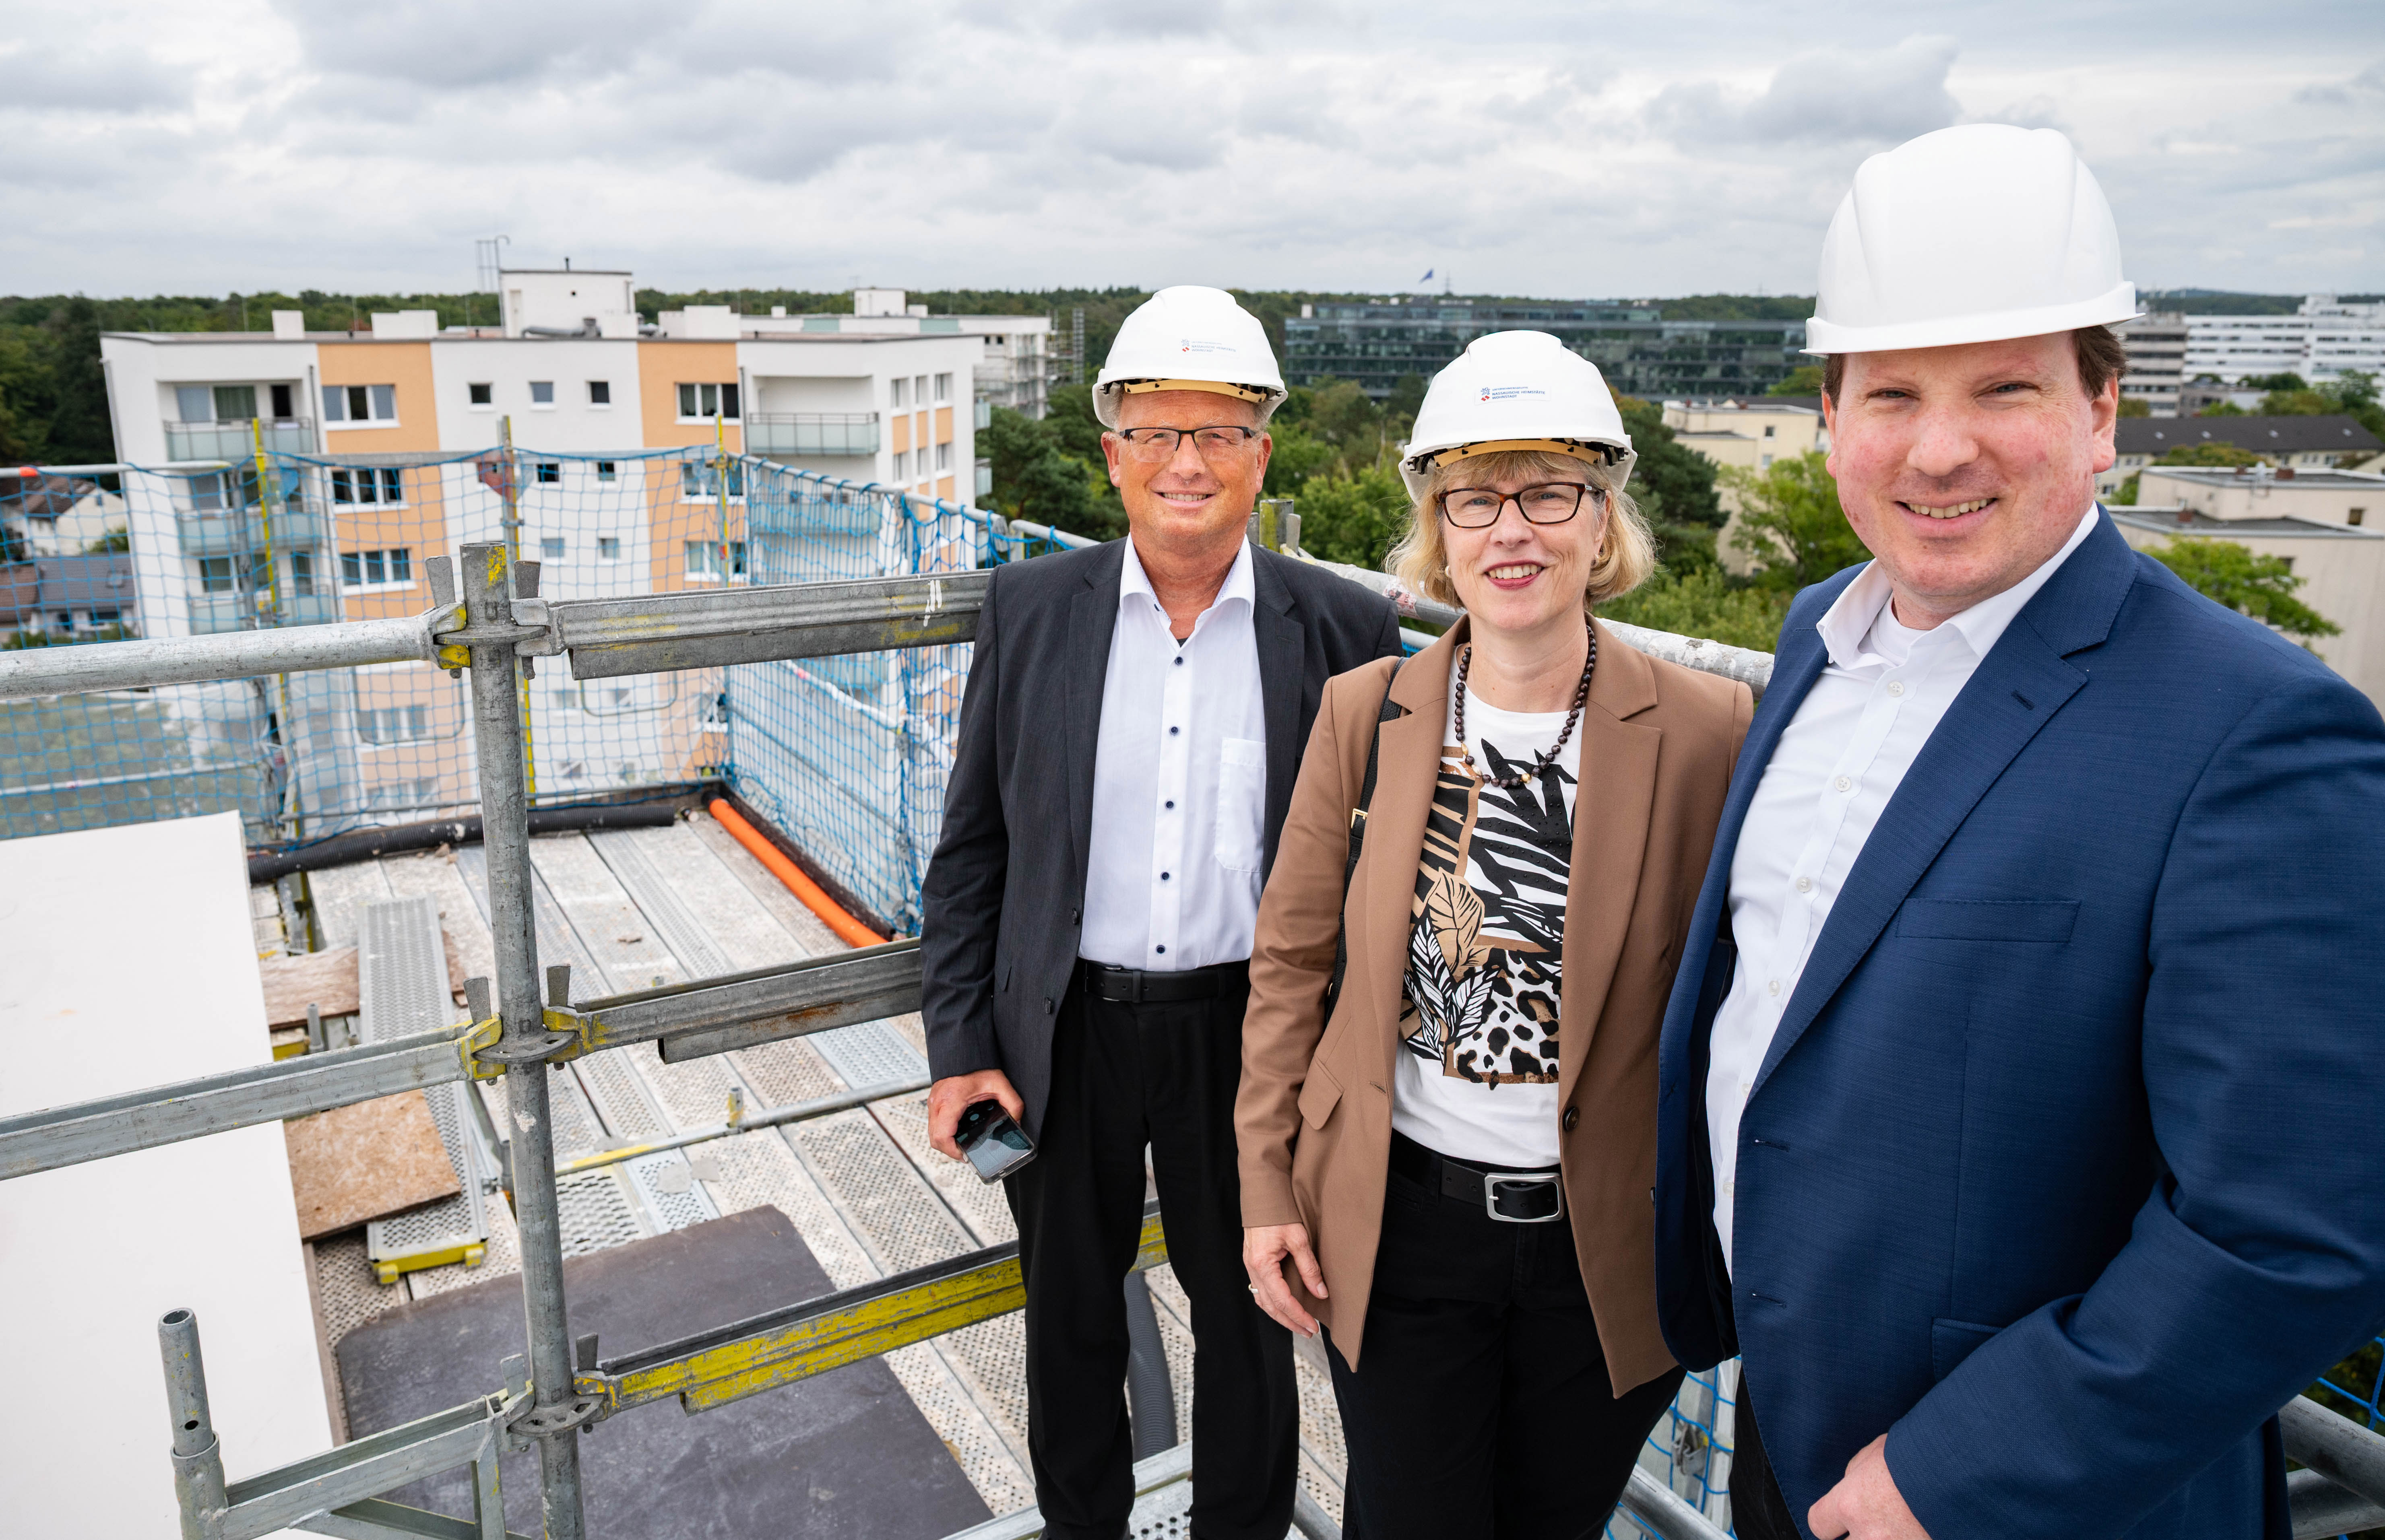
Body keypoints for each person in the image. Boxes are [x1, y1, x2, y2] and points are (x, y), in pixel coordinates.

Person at [1652, 124, 2385, 1540]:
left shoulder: (2256, 730)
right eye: (1893, 393)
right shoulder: (1819, 632)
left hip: (2020, 1491)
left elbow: (2300, 1226)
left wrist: (1957, 1473)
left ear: (2103, 414)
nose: (1940, 447)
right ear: (1830, 417)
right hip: (1786, 1420)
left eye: (2005, 387)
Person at [1237, 330, 1752, 1538]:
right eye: (1475, 498)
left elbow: (1744, 995)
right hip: (1402, 1223)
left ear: (1601, 519)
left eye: (1547, 492)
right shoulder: (1366, 712)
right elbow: (1293, 963)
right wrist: (1267, 1183)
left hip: (1607, 1242)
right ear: (1439, 530)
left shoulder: (1708, 730)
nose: (1511, 528)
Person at [920, 285, 1403, 1540]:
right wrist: (961, 1044)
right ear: (1112, 453)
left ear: (1261, 453)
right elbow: (973, 848)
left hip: (1250, 1036)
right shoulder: (1029, 613)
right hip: (1063, 1030)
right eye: (1155, 432)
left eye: (1218, 432)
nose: (1186, 461)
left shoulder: (1346, 628)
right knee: (1069, 1315)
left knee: (1251, 1318)